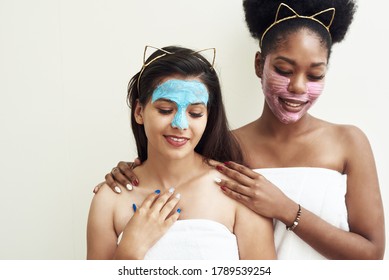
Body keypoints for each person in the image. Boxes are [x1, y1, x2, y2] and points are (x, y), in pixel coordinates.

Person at [99, 0, 385, 259]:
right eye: (284, 70)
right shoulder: (224, 147)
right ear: (260, 64)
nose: (298, 87)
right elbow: (173, 162)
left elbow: (372, 254)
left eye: (315, 75)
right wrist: (128, 173)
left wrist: (286, 210)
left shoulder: (348, 142)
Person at [87, 45, 276, 260]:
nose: (180, 124)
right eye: (165, 110)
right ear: (139, 111)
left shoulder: (239, 191)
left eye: (195, 113)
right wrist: (129, 251)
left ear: (208, 116)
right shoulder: (110, 199)